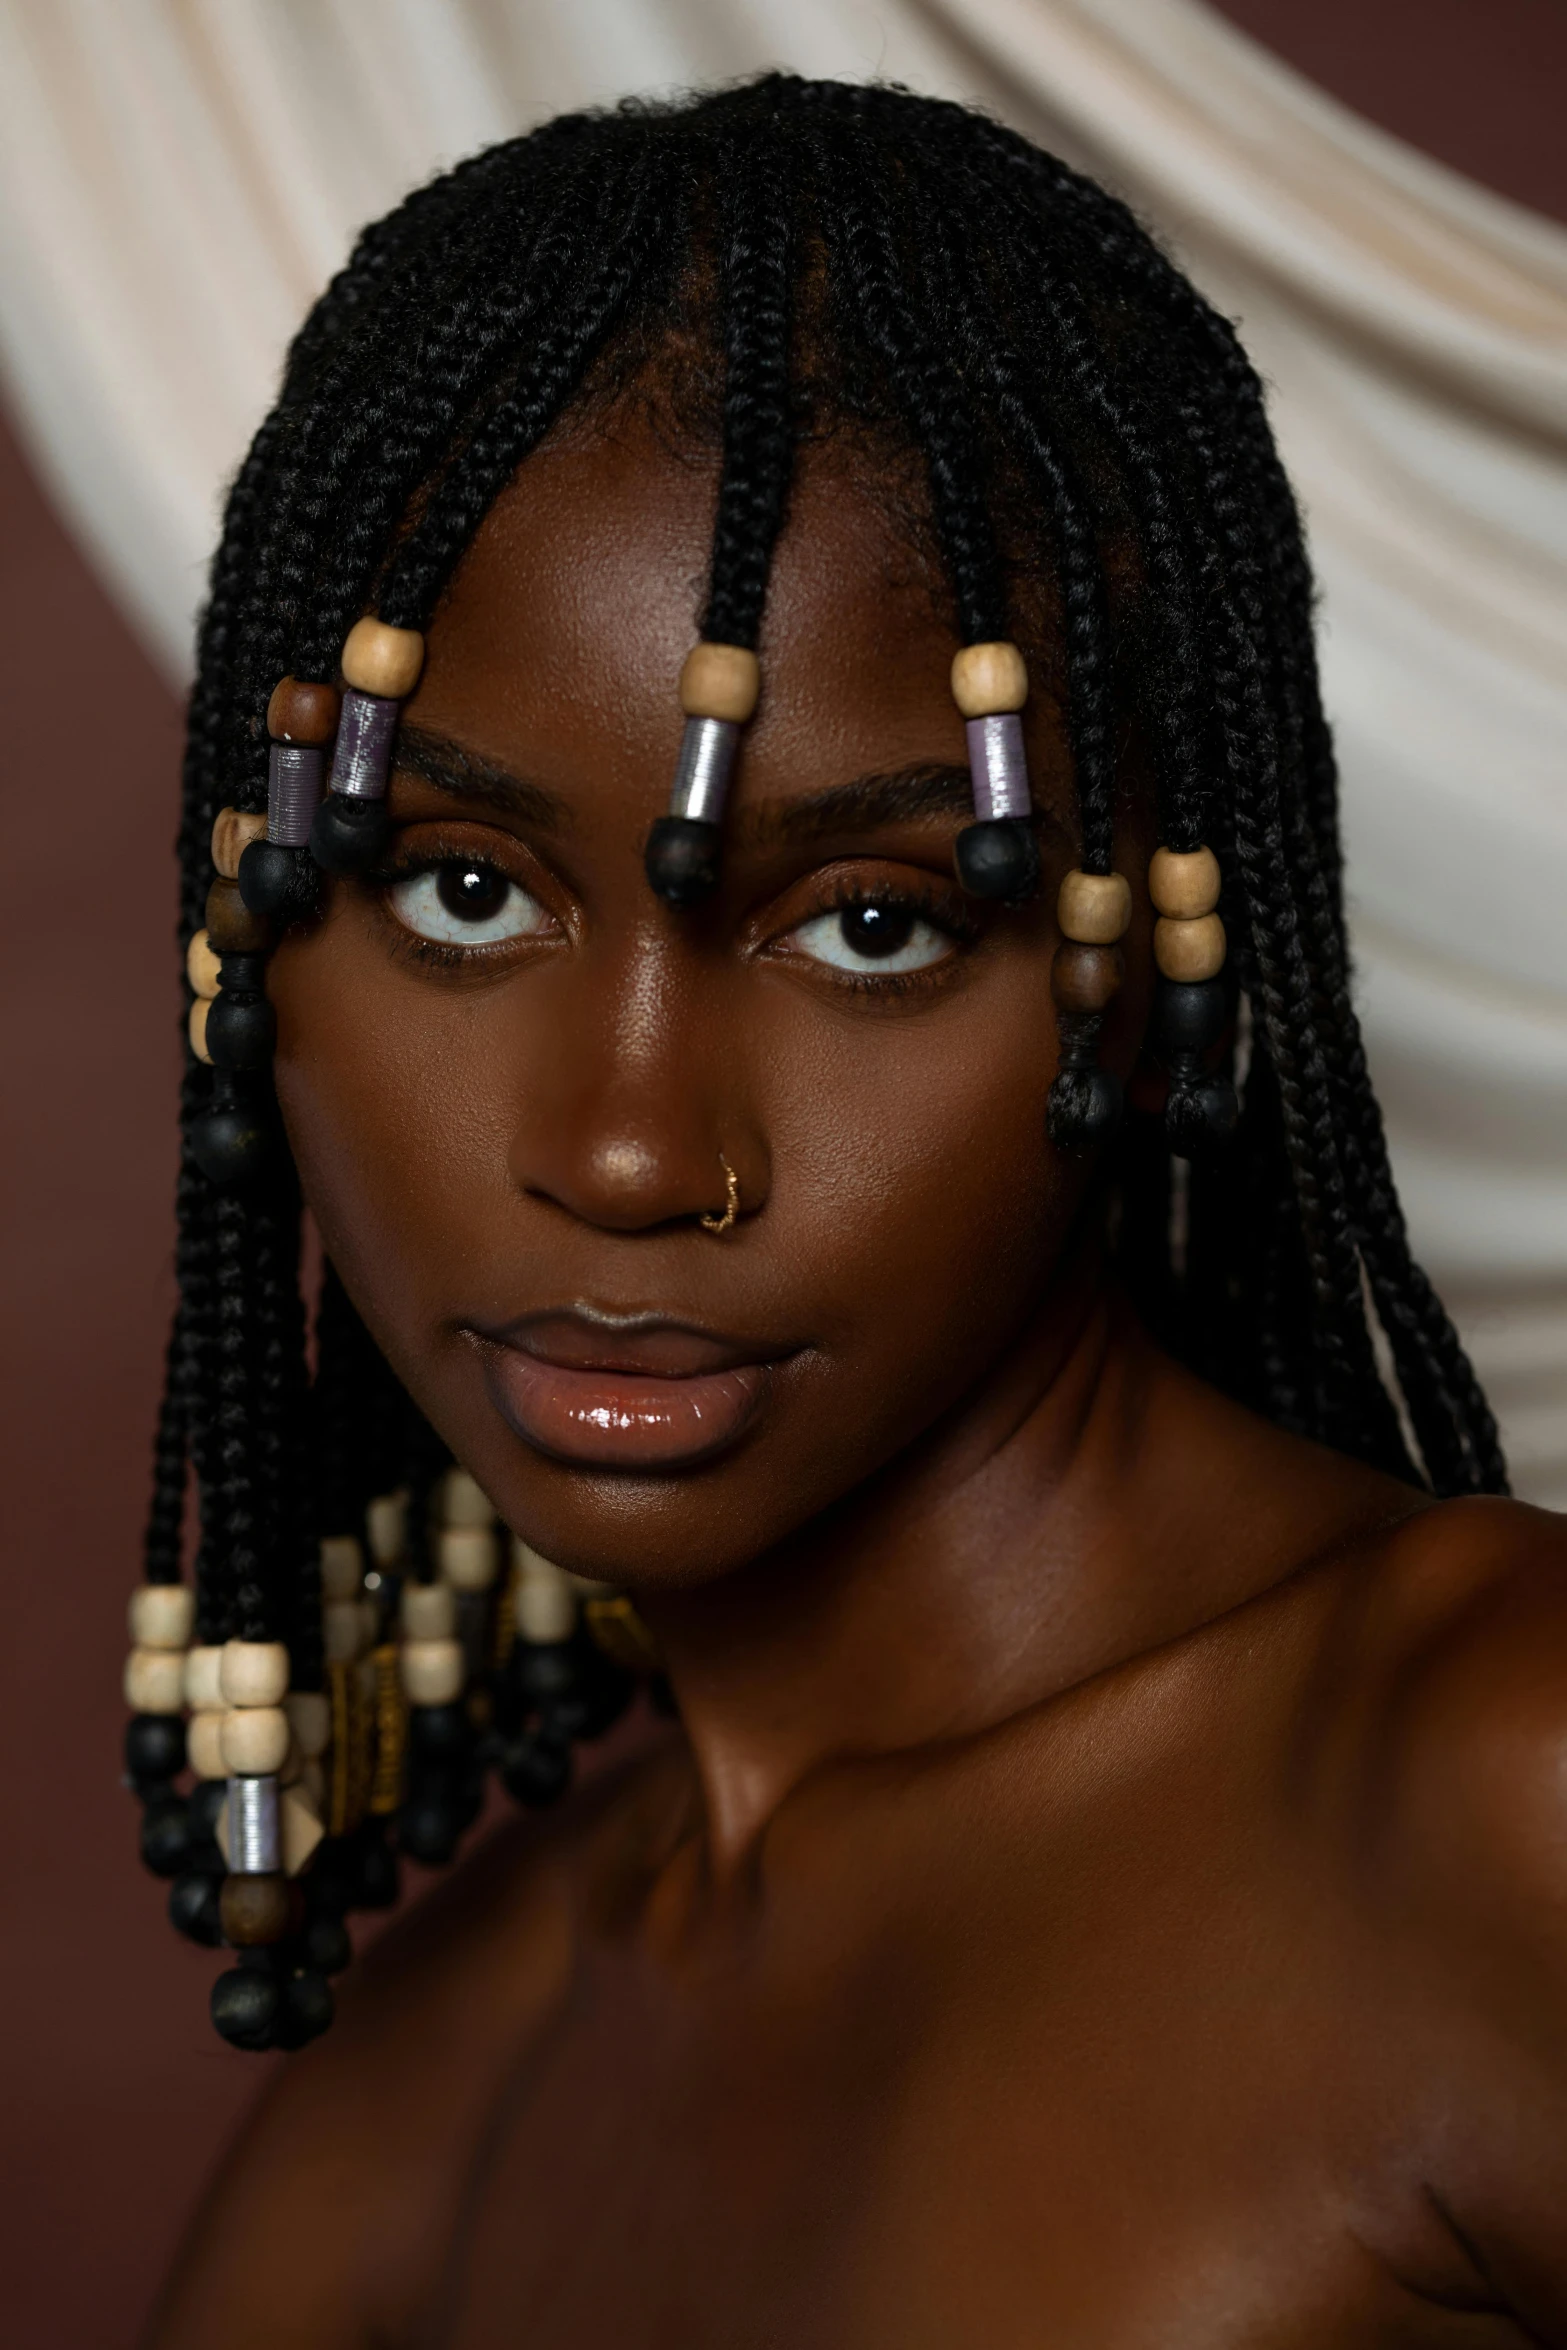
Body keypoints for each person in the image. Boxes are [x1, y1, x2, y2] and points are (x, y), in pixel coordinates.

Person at [126, 76, 1567, 2345]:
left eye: (879, 923)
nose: (625, 1154)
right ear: (253, 928)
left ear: (1166, 959)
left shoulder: (1499, 1784)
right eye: (465, 888)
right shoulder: (428, 2084)